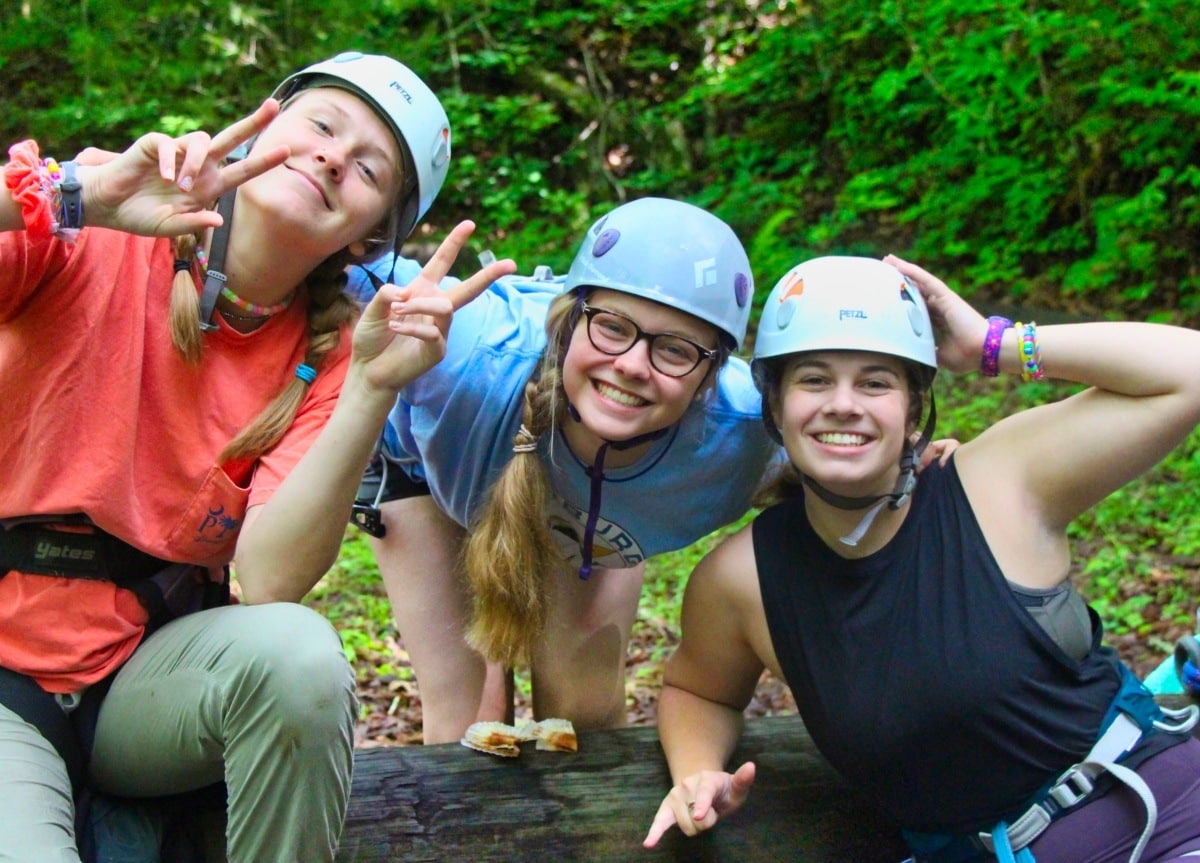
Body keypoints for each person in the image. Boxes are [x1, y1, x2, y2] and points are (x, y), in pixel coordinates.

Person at [0, 50, 515, 863]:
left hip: (142, 685)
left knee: (301, 654)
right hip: (6, 670)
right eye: (322, 124)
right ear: (262, 128)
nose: (333, 158)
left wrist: (374, 387)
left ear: (371, 233)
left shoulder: (338, 354)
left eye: (369, 167)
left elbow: (270, 579)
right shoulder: (95, 208)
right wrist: (76, 198)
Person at [644, 255, 1200, 863]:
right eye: (814, 380)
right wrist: (697, 772)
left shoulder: (995, 482)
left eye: (876, 382)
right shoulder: (742, 579)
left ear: (913, 412)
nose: (844, 404)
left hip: (1158, 813)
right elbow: (699, 691)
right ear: (774, 406)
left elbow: (1188, 372)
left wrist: (995, 344)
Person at [345, 197, 781, 741]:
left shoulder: (746, 433)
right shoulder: (466, 351)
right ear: (568, 321)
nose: (631, 366)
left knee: (585, 714)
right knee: (468, 719)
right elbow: (340, 255)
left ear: (711, 375)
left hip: (589, 487)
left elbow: (851, 453)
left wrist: (913, 452)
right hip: (427, 465)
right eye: (613, 328)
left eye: (674, 350)